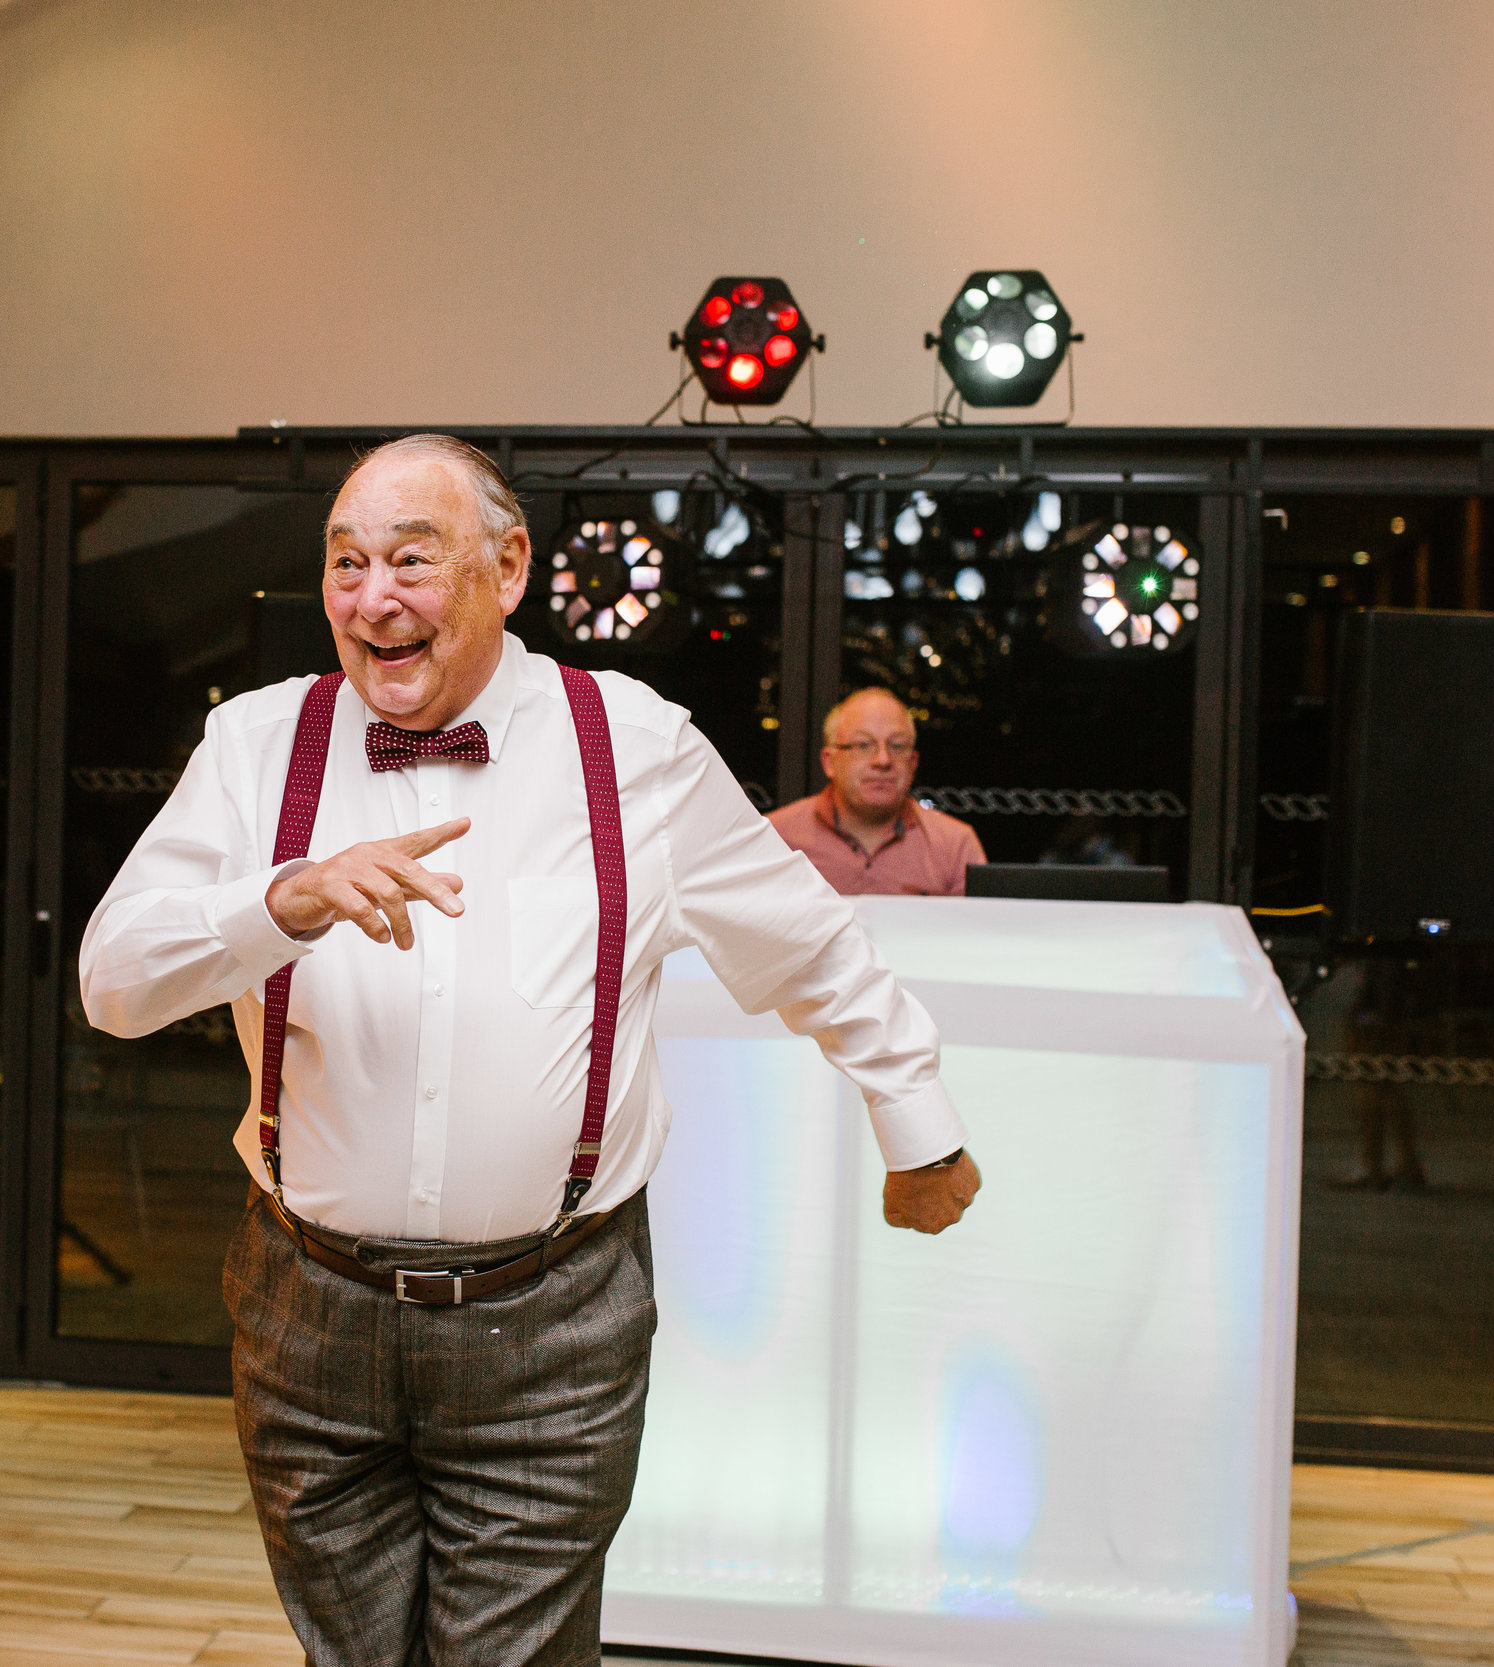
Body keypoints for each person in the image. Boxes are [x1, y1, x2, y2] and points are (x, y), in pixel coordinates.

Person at [80, 435, 981, 1665]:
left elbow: (808, 944)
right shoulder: (254, 745)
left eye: (410, 557)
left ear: (506, 569)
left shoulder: (634, 745)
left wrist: (916, 1121)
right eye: (345, 564)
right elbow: (113, 982)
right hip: (306, 1312)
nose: (370, 596)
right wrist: (278, 900)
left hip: (553, 1316)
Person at [767, 687, 986, 896]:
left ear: (913, 762)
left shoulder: (955, 845)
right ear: (829, 762)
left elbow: (980, 930)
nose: (883, 760)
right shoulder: (775, 838)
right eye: (863, 745)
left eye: (897, 746)